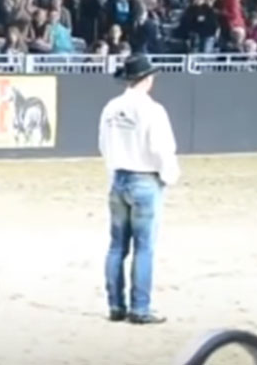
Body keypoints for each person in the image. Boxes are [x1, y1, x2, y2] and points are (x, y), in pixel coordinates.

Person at [98, 54, 180, 325]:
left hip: (119, 177)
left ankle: (115, 306)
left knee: (116, 247)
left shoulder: (111, 107)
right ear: (146, 79)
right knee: (144, 247)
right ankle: (140, 308)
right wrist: (168, 175)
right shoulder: (153, 109)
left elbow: (103, 144)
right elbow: (161, 149)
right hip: (145, 179)